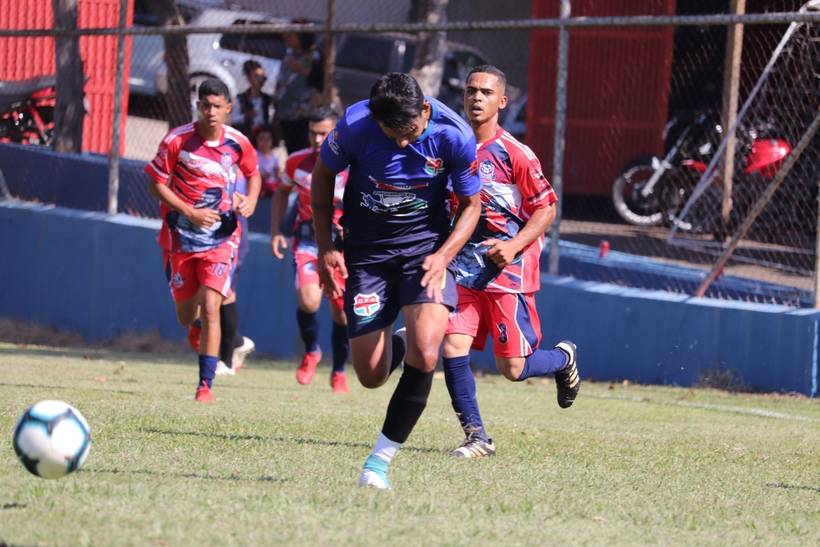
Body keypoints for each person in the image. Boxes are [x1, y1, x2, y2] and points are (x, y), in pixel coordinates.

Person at [312, 73, 482, 489]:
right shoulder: (355, 125)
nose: (402, 144)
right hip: (367, 256)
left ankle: (378, 463)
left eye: (409, 132)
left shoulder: (454, 134)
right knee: (371, 374)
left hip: (425, 254)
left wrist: (444, 255)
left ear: (424, 111)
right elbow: (321, 179)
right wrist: (325, 247)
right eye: (392, 134)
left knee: (428, 354)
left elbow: (472, 205)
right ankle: (402, 340)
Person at [442, 65, 580, 458]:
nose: (477, 98)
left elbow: (546, 208)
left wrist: (514, 245)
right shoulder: (452, 147)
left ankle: (562, 358)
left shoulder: (514, 153)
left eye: (486, 92)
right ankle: (477, 436)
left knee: (514, 369)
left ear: (501, 102)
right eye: (471, 91)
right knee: (453, 345)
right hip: (464, 267)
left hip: (507, 271)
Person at [145, 78, 260, 402]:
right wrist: (189, 211)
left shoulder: (238, 142)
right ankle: (198, 331)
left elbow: (253, 174)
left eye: (217, 106)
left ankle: (205, 384)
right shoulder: (177, 140)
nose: (211, 112)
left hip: (222, 238)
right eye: (205, 105)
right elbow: (155, 184)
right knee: (187, 316)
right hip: (180, 238)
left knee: (212, 306)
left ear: (228, 108)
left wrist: (249, 199)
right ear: (198, 106)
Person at [271, 106, 351, 393]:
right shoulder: (296, 163)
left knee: (342, 313)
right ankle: (312, 350)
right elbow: (282, 193)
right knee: (309, 301)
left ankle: (339, 370)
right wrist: (278, 230)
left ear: (336, 132)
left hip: (345, 245)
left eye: (323, 133)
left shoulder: (354, 165)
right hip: (308, 239)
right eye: (312, 133)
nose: (317, 140)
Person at [274, 22, 323, 153]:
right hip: (286, 113)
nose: (286, 37)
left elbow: (320, 82)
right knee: (291, 151)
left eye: (291, 34)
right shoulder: (289, 56)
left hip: (303, 116)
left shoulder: (314, 57)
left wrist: (301, 69)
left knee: (303, 151)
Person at [233, 59, 274, 140]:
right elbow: (234, 118)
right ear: (249, 78)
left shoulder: (267, 99)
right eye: (256, 77)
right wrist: (246, 116)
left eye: (262, 77)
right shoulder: (241, 98)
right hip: (247, 136)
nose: (260, 81)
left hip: (263, 138)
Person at [255, 124, 282, 197]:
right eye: (261, 139)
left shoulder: (274, 156)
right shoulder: (254, 155)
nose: (265, 142)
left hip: (272, 189)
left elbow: (277, 174)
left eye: (268, 139)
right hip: (259, 190)